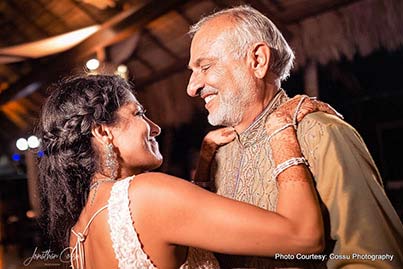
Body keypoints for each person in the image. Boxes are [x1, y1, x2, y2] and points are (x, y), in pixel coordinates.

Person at [37, 74, 337, 269]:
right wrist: (280, 130)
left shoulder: (79, 233)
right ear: (103, 132)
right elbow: (303, 238)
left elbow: (178, 226)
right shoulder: (144, 195)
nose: (154, 127)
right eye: (139, 113)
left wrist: (206, 160)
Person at [187, 5, 403, 269]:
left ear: (257, 61)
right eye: (193, 71)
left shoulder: (320, 133)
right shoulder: (220, 152)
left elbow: (377, 259)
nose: (192, 87)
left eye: (205, 66)